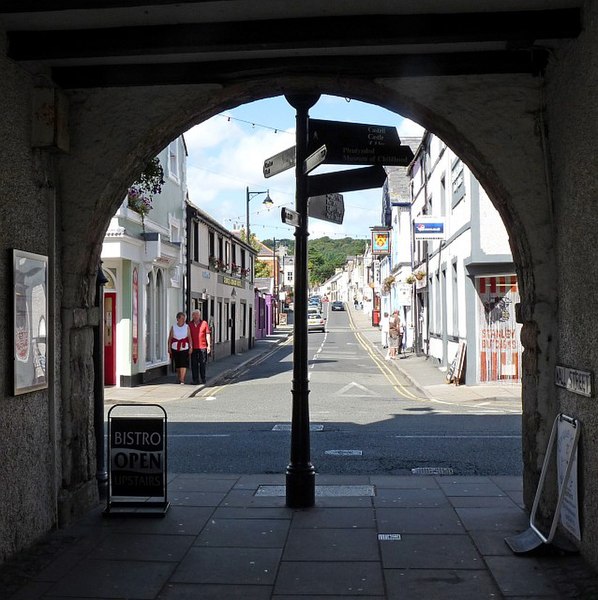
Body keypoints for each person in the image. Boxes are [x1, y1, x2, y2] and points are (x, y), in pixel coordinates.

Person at [167, 312, 192, 384]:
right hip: (175, 347)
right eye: (182, 318)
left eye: (184, 319)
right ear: (177, 319)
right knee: (177, 364)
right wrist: (169, 347)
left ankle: (182, 379)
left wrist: (191, 347)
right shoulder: (173, 327)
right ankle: (179, 376)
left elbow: (189, 337)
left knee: (183, 363)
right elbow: (170, 338)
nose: (183, 320)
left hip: (184, 347)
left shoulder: (187, 327)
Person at [189, 309, 211, 385]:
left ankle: (203, 378)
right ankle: (195, 379)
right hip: (193, 347)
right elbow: (188, 336)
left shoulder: (204, 323)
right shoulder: (190, 324)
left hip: (202, 347)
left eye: (197, 315)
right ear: (192, 316)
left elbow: (207, 334)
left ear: (199, 315)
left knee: (202, 363)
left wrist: (208, 345)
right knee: (194, 364)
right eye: (194, 315)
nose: (195, 316)